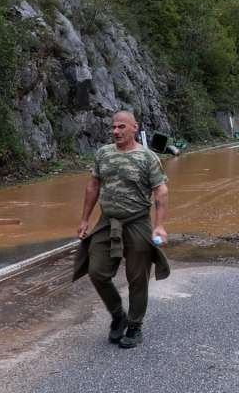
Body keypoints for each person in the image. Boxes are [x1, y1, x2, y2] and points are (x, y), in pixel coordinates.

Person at [72, 110, 170, 349]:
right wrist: (85, 219)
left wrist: (159, 225)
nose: (116, 131)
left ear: (134, 128)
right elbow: (92, 186)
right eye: (114, 127)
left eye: (121, 127)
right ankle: (118, 316)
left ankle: (135, 327)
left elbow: (161, 191)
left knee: (137, 278)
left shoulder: (147, 157)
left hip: (137, 222)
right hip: (107, 222)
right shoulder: (103, 154)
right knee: (96, 271)